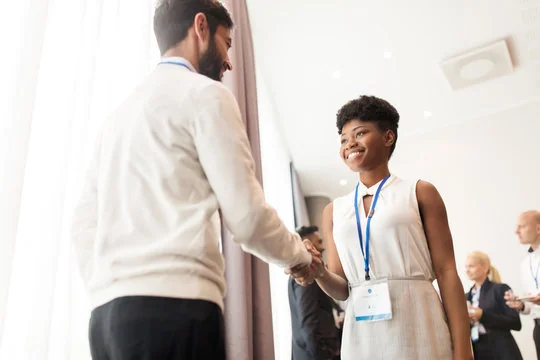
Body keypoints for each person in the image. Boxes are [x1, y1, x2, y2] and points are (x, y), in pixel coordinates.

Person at [71, 1, 320, 359]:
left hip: (108, 317)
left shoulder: (117, 117)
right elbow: (247, 219)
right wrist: (297, 256)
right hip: (177, 309)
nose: (229, 61)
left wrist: (110, 285)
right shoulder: (206, 94)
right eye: (227, 43)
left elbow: (83, 222)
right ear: (200, 27)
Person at [289, 95, 472, 359]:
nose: (349, 143)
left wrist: (464, 350)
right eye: (343, 139)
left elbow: (446, 272)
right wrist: (319, 272)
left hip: (420, 323)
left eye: (360, 133)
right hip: (362, 335)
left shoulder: (419, 192)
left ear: (388, 137)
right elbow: (342, 289)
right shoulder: (334, 210)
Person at [288, 226, 339, 360]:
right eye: (319, 242)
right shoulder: (307, 276)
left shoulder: (314, 274)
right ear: (308, 245)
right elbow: (308, 323)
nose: (323, 247)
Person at [464, 251, 522, 359]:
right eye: (466, 267)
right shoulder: (466, 296)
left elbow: (515, 323)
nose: (467, 270)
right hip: (479, 351)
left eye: (471, 266)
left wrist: (482, 315)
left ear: (485, 267)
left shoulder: (501, 289)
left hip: (502, 350)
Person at [505, 210, 540, 359]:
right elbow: (532, 305)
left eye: (522, 226)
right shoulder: (525, 264)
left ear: (538, 228)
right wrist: (521, 305)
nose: (516, 231)